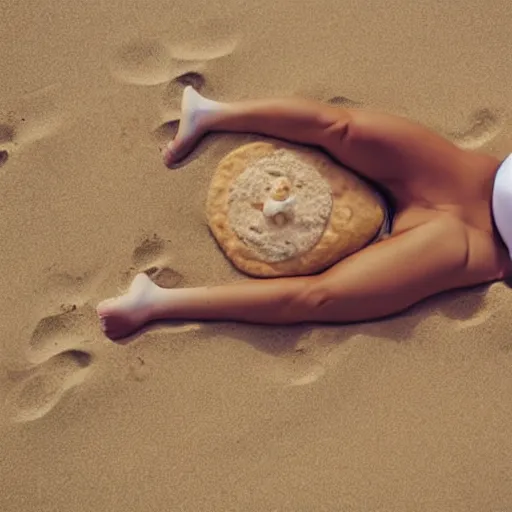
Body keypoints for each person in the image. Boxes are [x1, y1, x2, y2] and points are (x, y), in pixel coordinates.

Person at [96, 86, 512, 340]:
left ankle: (156, 304)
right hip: (478, 177)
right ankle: (210, 113)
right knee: (342, 128)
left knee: (318, 297)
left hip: (475, 246)